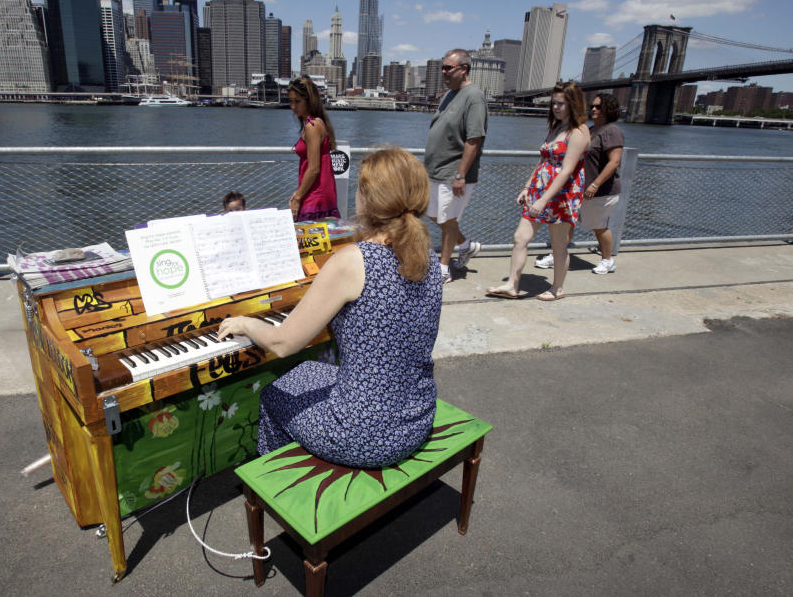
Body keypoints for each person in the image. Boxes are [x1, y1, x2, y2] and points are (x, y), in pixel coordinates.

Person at [217, 147, 441, 467]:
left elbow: (283, 344)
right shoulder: (429, 256)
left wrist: (246, 324)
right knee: (308, 371)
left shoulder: (353, 261)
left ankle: (278, 487)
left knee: (271, 396)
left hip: (365, 437)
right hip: (417, 418)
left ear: (367, 199)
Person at [486, 81, 590, 301]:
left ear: (573, 104)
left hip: (562, 196)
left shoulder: (579, 132)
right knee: (520, 238)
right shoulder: (556, 128)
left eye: (561, 104)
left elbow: (566, 170)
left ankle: (557, 288)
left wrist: (544, 200)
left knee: (558, 245)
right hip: (539, 190)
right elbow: (543, 161)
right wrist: (527, 187)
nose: (555, 108)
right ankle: (512, 285)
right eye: (554, 103)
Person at [534, 93, 623, 274]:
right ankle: (558, 254)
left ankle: (608, 260)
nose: (593, 109)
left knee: (598, 225)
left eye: (598, 107)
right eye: (593, 106)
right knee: (567, 221)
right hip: (580, 188)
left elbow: (614, 161)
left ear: (609, 109)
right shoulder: (591, 130)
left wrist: (595, 184)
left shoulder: (611, 131)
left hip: (600, 191)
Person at [424, 49, 488, 283]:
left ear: (464, 69)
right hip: (435, 170)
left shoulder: (474, 97)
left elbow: (474, 139)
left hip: (454, 173)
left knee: (449, 220)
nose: (444, 72)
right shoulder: (449, 94)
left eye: (448, 68)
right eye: (442, 67)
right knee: (435, 215)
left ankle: (443, 269)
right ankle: (467, 245)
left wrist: (461, 174)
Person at [287, 76, 340, 221]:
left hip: (315, 196)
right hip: (321, 193)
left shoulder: (312, 126)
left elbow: (314, 168)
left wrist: (297, 197)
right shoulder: (318, 123)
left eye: (297, 101)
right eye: (291, 101)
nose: (293, 106)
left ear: (309, 100)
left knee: (308, 239)